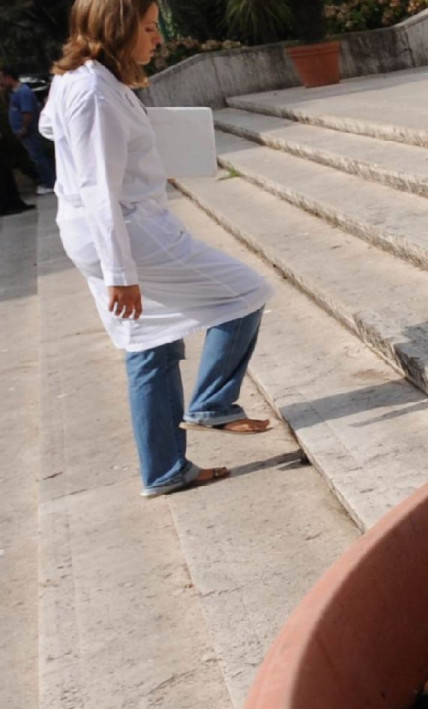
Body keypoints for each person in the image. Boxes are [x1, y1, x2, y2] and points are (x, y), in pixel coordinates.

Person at [39, 0, 275, 496]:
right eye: (148, 28)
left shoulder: (76, 80)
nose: (158, 38)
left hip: (103, 233)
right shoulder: (95, 94)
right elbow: (99, 188)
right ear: (118, 29)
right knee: (244, 294)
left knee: (149, 345)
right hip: (125, 233)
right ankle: (212, 404)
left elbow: (48, 129)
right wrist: (121, 272)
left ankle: (165, 471)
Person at [3, 67, 57, 194]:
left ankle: (51, 182)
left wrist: (24, 128)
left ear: (8, 77)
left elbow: (27, 112)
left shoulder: (23, 92)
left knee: (40, 157)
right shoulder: (13, 93)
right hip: (25, 133)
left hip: (30, 132)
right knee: (37, 157)